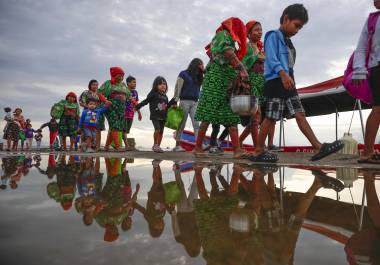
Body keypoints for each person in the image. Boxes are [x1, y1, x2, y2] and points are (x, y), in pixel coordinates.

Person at [251, 4, 344, 163]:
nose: (297, 30)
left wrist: (289, 78)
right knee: (271, 117)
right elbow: (272, 59)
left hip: (287, 83)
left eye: (300, 28)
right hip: (276, 81)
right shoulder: (273, 36)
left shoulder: (288, 42)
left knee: (299, 113)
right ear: (286, 18)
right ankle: (258, 151)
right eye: (296, 25)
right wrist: (283, 74)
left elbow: (290, 64)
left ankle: (318, 146)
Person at [193, 17, 250, 159]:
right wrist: (242, 69)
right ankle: (198, 147)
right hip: (216, 81)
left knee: (230, 114)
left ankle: (237, 149)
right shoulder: (223, 35)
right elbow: (229, 53)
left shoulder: (227, 38)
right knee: (208, 113)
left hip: (225, 81)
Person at [355, 0, 380, 164]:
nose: (373, 1)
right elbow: (362, 46)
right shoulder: (372, 19)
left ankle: (367, 151)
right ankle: (367, 151)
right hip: (377, 66)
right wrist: (359, 69)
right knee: (378, 108)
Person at [135, 76, 176, 153]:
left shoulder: (165, 97)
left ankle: (158, 146)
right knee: (157, 129)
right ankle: (155, 145)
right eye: (160, 84)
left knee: (161, 132)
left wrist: (174, 101)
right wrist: (137, 106)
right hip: (155, 115)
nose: (163, 85)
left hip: (163, 116)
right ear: (156, 86)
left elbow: (166, 106)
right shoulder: (153, 93)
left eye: (164, 84)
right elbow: (146, 101)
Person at [172, 58, 204, 152]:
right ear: (196, 64)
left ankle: (199, 146)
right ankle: (177, 145)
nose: (203, 66)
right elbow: (177, 87)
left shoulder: (199, 76)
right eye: (201, 64)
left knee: (196, 124)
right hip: (184, 101)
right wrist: (175, 100)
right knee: (182, 123)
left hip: (195, 102)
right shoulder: (183, 74)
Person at [98, 67, 131, 151]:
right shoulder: (108, 83)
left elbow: (129, 95)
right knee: (114, 126)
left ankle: (106, 146)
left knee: (115, 127)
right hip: (111, 107)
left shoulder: (123, 85)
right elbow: (99, 93)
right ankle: (117, 146)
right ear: (114, 75)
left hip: (121, 108)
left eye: (122, 76)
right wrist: (105, 100)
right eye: (119, 75)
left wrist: (135, 103)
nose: (121, 78)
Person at [79, 79, 109, 150]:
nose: (95, 86)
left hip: (98, 113)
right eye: (93, 84)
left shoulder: (99, 94)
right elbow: (81, 102)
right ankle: (83, 146)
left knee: (98, 130)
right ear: (90, 85)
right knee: (85, 130)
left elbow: (105, 102)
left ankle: (97, 147)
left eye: (96, 85)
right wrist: (90, 108)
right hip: (88, 114)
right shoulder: (86, 93)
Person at [123, 75, 142, 151]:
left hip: (131, 114)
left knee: (127, 130)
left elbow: (136, 103)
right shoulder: (124, 91)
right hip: (123, 113)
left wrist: (139, 113)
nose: (135, 84)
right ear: (128, 83)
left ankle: (125, 145)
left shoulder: (135, 92)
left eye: (135, 82)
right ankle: (127, 145)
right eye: (133, 82)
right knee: (124, 129)